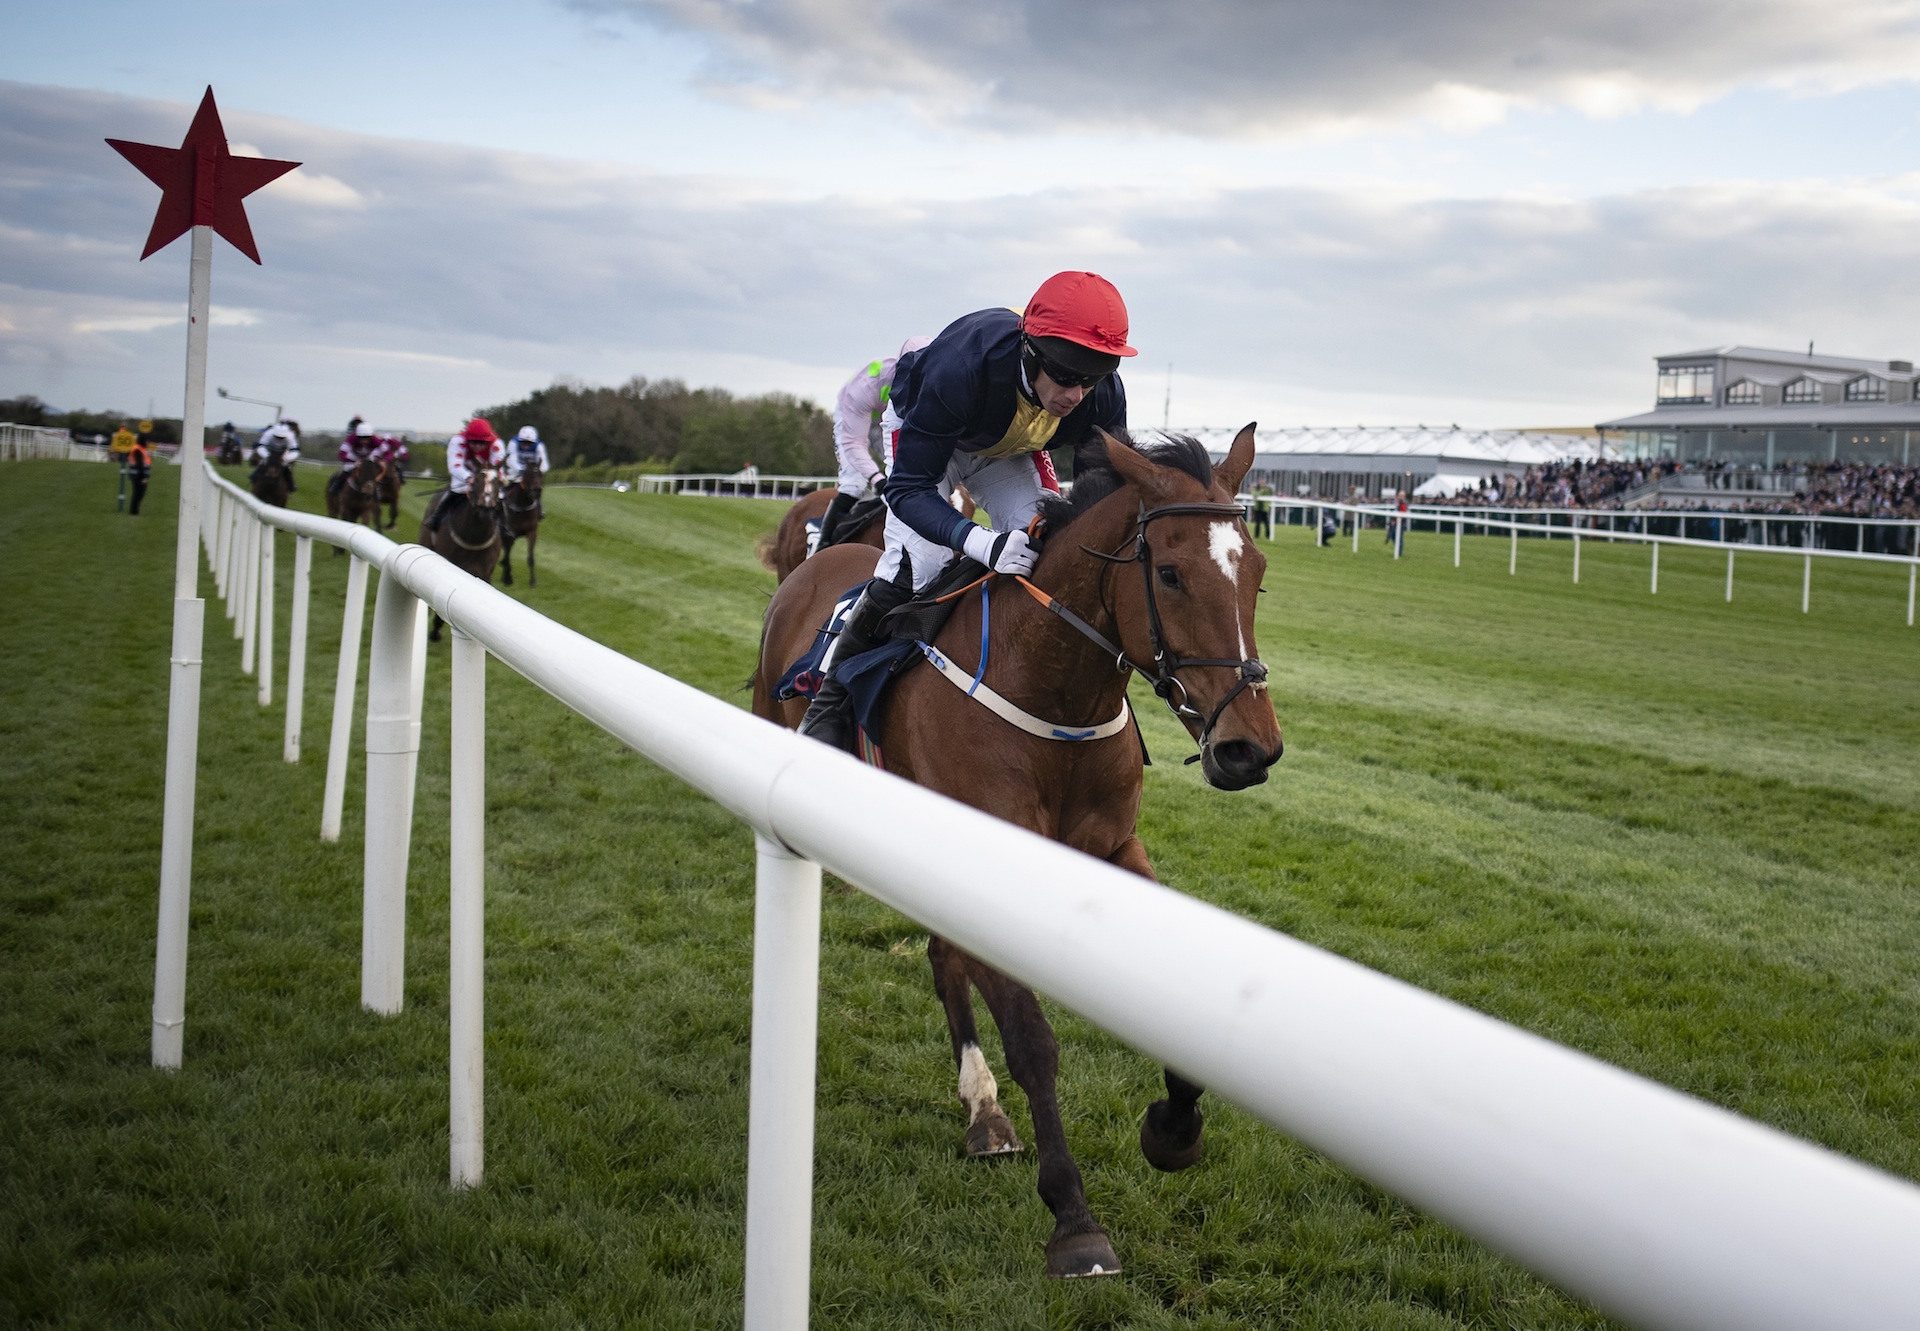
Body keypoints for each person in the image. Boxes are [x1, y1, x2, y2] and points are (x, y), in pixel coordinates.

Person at [797, 270, 1134, 750]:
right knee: (919, 564)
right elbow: (910, 489)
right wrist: (981, 541)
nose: (1076, 396)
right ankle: (829, 705)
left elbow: (1100, 496)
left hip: (1007, 448)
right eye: (1065, 376)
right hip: (929, 437)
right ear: (1030, 351)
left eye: (1092, 378)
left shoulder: (1101, 392)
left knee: (1048, 546)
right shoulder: (961, 364)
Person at [819, 336, 932, 548]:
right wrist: (878, 480)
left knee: (902, 473)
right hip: (855, 413)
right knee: (855, 484)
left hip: (885, 417)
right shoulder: (864, 388)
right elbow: (854, 444)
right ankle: (822, 546)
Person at [429, 417, 504, 531]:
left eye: (482, 443)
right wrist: (469, 477)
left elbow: (496, 468)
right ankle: (436, 519)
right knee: (457, 490)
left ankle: (505, 527)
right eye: (474, 442)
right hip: (464, 473)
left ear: (488, 441)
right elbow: (455, 466)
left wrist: (491, 480)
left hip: (487, 476)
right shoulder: (458, 441)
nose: (477, 446)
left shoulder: (497, 444)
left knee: (499, 495)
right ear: (468, 439)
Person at [505, 425, 550, 517]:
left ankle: (539, 508)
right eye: (524, 442)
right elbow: (512, 461)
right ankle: (503, 505)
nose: (526, 445)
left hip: (532, 472)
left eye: (529, 443)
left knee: (536, 487)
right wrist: (521, 471)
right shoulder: (513, 443)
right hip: (515, 470)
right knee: (506, 484)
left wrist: (537, 471)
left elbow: (544, 464)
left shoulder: (539, 446)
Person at [252, 420, 300, 491]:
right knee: (262, 465)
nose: (279, 440)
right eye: (277, 437)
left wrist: (286, 458)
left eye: (281, 438)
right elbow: (261, 446)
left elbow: (295, 451)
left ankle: (291, 485)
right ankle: (254, 479)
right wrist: (267, 456)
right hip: (269, 452)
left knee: (286, 468)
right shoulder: (268, 433)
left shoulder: (290, 435)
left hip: (283, 454)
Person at [125, 434, 152, 515]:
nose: (147, 442)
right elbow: (140, 465)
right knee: (138, 494)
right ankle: (134, 511)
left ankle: (134, 510)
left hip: (137, 474)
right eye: (146, 441)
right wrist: (144, 477)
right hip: (138, 475)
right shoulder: (138, 450)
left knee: (138, 493)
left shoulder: (140, 449)